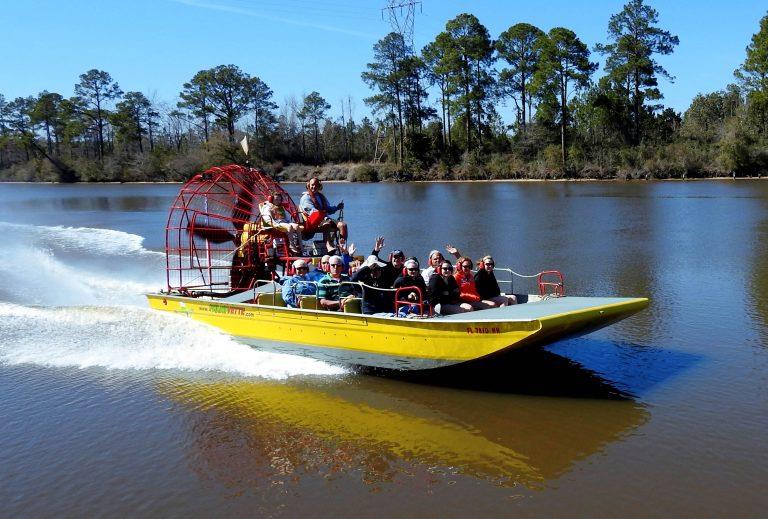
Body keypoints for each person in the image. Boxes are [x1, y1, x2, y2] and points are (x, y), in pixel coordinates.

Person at [299, 177, 348, 243]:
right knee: (327, 223)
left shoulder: (321, 196)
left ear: (319, 186)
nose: (314, 187)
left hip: (325, 219)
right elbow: (312, 212)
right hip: (312, 222)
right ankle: (328, 245)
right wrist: (324, 216)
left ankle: (343, 247)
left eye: (316, 185)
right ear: (308, 186)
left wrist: (337, 207)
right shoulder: (305, 198)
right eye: (312, 185)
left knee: (343, 225)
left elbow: (328, 209)